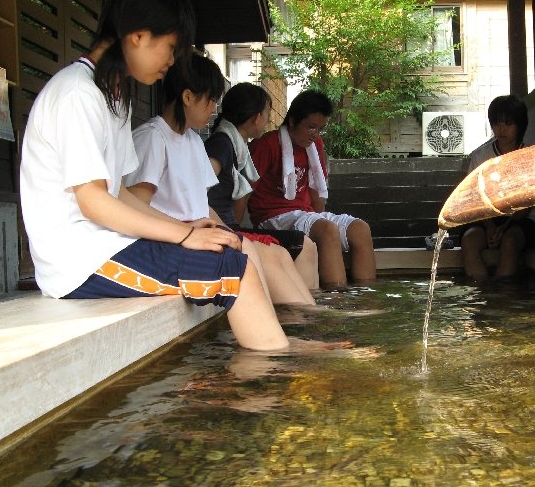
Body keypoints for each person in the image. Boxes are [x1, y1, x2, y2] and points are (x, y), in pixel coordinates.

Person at [19, 0, 293, 352]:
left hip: (105, 246)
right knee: (233, 270)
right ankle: (277, 373)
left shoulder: (112, 96)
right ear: (138, 35)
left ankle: (276, 356)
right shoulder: (76, 94)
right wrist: (183, 235)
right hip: (78, 262)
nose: (173, 61)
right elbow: (94, 202)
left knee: (225, 249)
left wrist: (185, 226)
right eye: (171, 47)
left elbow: (119, 193)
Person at [124, 53, 316, 307]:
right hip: (171, 239)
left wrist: (227, 231)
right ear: (188, 97)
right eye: (211, 100)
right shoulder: (152, 138)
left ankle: (309, 317)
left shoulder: (191, 140)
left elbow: (202, 205)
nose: (214, 109)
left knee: (277, 253)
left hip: (198, 232)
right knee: (261, 257)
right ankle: (298, 327)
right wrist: (189, 231)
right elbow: (138, 207)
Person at [248, 90, 376, 288]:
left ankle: (366, 301)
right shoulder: (268, 144)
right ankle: (336, 304)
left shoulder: (315, 144)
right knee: (327, 230)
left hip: (304, 214)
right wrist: (233, 228)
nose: (315, 134)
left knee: (360, 229)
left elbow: (316, 188)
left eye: (320, 129)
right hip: (272, 217)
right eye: (310, 127)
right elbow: (245, 187)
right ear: (292, 121)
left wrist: (320, 221)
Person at [204, 82, 320, 291]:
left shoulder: (235, 145)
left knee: (301, 245)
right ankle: (304, 314)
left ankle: (307, 308)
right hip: (221, 229)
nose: (268, 120)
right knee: (301, 245)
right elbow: (199, 187)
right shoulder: (222, 144)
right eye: (267, 112)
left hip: (227, 227)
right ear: (257, 117)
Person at [461, 94, 535, 282]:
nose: (501, 129)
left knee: (509, 242)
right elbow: (474, 197)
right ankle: (482, 292)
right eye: (497, 123)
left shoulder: (530, 156)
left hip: (526, 220)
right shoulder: (480, 156)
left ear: (520, 125)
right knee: (469, 241)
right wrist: (490, 226)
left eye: (508, 123)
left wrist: (505, 227)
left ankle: (503, 295)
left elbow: (529, 204)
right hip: (487, 219)